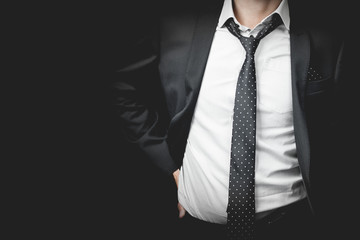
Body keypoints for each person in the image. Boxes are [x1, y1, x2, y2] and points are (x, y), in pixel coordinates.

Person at [113, 0, 355, 239]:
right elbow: (122, 87)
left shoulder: (330, 37)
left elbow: (341, 132)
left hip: (292, 226)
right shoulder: (175, 22)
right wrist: (169, 163)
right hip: (195, 227)